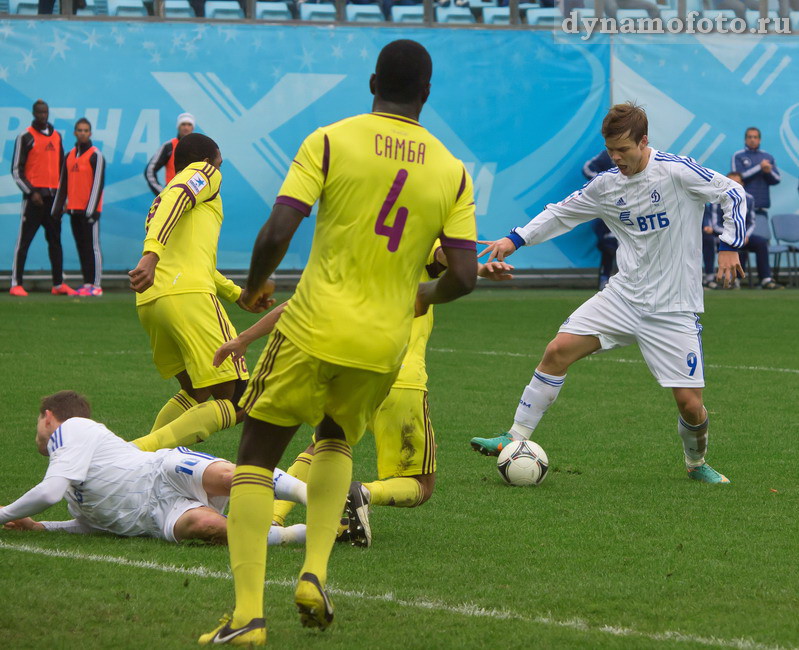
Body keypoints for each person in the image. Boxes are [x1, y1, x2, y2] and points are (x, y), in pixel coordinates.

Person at [198, 39, 478, 646]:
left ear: (372, 79)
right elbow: (463, 276)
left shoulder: (329, 140)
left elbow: (278, 229)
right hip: (383, 345)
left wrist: (253, 287)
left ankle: (247, 616)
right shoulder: (453, 171)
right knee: (334, 441)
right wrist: (422, 298)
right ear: (427, 94)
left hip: (313, 327)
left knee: (256, 455)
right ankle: (315, 575)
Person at [470, 102, 746, 485]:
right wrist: (515, 239)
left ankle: (696, 463)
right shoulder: (607, 184)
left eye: (623, 150)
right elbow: (561, 212)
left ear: (644, 141)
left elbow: (733, 193)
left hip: (673, 308)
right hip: (622, 297)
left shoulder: (677, 171)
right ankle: (514, 437)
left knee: (690, 405)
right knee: (556, 351)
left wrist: (730, 245)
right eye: (611, 150)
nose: (616, 158)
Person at [214, 248, 513, 549]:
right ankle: (364, 493)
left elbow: (297, 306)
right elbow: (444, 256)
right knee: (421, 485)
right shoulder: (415, 232)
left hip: (354, 371)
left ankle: (273, 517)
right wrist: (477, 268)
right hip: (401, 376)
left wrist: (243, 338)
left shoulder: (354, 253)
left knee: (323, 444)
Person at [0, 391, 307, 546]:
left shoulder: (74, 428)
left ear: (49, 417)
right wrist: (40, 527)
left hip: (161, 470)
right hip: (155, 517)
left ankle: (311, 496)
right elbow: (95, 527)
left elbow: (49, 491)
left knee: (229, 478)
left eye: (38, 422)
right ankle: (300, 535)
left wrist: (4, 514)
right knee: (207, 527)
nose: (37, 430)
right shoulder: (73, 483)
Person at [128, 133, 272, 450]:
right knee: (238, 398)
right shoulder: (201, 174)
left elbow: (195, 261)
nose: (221, 171)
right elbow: (181, 198)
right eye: (220, 163)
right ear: (208, 160)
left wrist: (238, 295)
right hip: (186, 296)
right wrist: (150, 254)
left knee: (196, 391)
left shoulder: (163, 198)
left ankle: (141, 466)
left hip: (153, 301)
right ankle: (135, 452)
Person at [9, 99, 75, 297]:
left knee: (56, 242)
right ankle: (16, 284)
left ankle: (58, 284)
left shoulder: (57, 137)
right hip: (34, 200)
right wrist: (31, 192)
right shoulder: (25, 137)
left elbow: (62, 171)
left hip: (53, 200)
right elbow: (16, 170)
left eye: (45, 112)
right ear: (33, 114)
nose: (43, 116)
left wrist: (63, 199)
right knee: (24, 242)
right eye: (39, 113)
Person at [52, 118, 105, 297]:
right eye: (79, 130)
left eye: (86, 130)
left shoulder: (95, 155)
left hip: (90, 212)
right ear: (75, 132)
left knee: (93, 247)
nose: (82, 133)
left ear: (90, 133)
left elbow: (98, 184)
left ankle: (96, 285)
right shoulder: (69, 155)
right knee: (82, 247)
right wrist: (56, 209)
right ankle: (87, 283)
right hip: (73, 210)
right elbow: (63, 185)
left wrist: (91, 211)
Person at [708, 172, 783, 290]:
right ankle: (731, 280)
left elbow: (751, 222)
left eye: (737, 183)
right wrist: (732, 235)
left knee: (761, 242)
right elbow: (715, 224)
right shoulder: (716, 199)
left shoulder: (749, 198)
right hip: (723, 236)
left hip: (743, 236)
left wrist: (744, 235)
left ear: (742, 184)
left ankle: (765, 279)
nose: (733, 185)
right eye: (730, 182)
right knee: (728, 243)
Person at [731, 127, 780, 218]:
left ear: (759, 140)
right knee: (743, 232)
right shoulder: (738, 155)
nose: (752, 140)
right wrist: (759, 167)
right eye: (749, 137)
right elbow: (736, 178)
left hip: (761, 208)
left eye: (755, 137)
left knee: (762, 232)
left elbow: (777, 180)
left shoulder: (768, 156)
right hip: (742, 206)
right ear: (745, 139)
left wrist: (768, 172)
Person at [144, 113, 195, 196]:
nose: (186, 127)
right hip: (172, 196)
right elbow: (150, 171)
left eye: (189, 124)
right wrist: (163, 194)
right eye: (183, 124)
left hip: (195, 197)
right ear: (178, 127)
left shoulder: (199, 147)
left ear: (193, 127)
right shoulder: (168, 146)